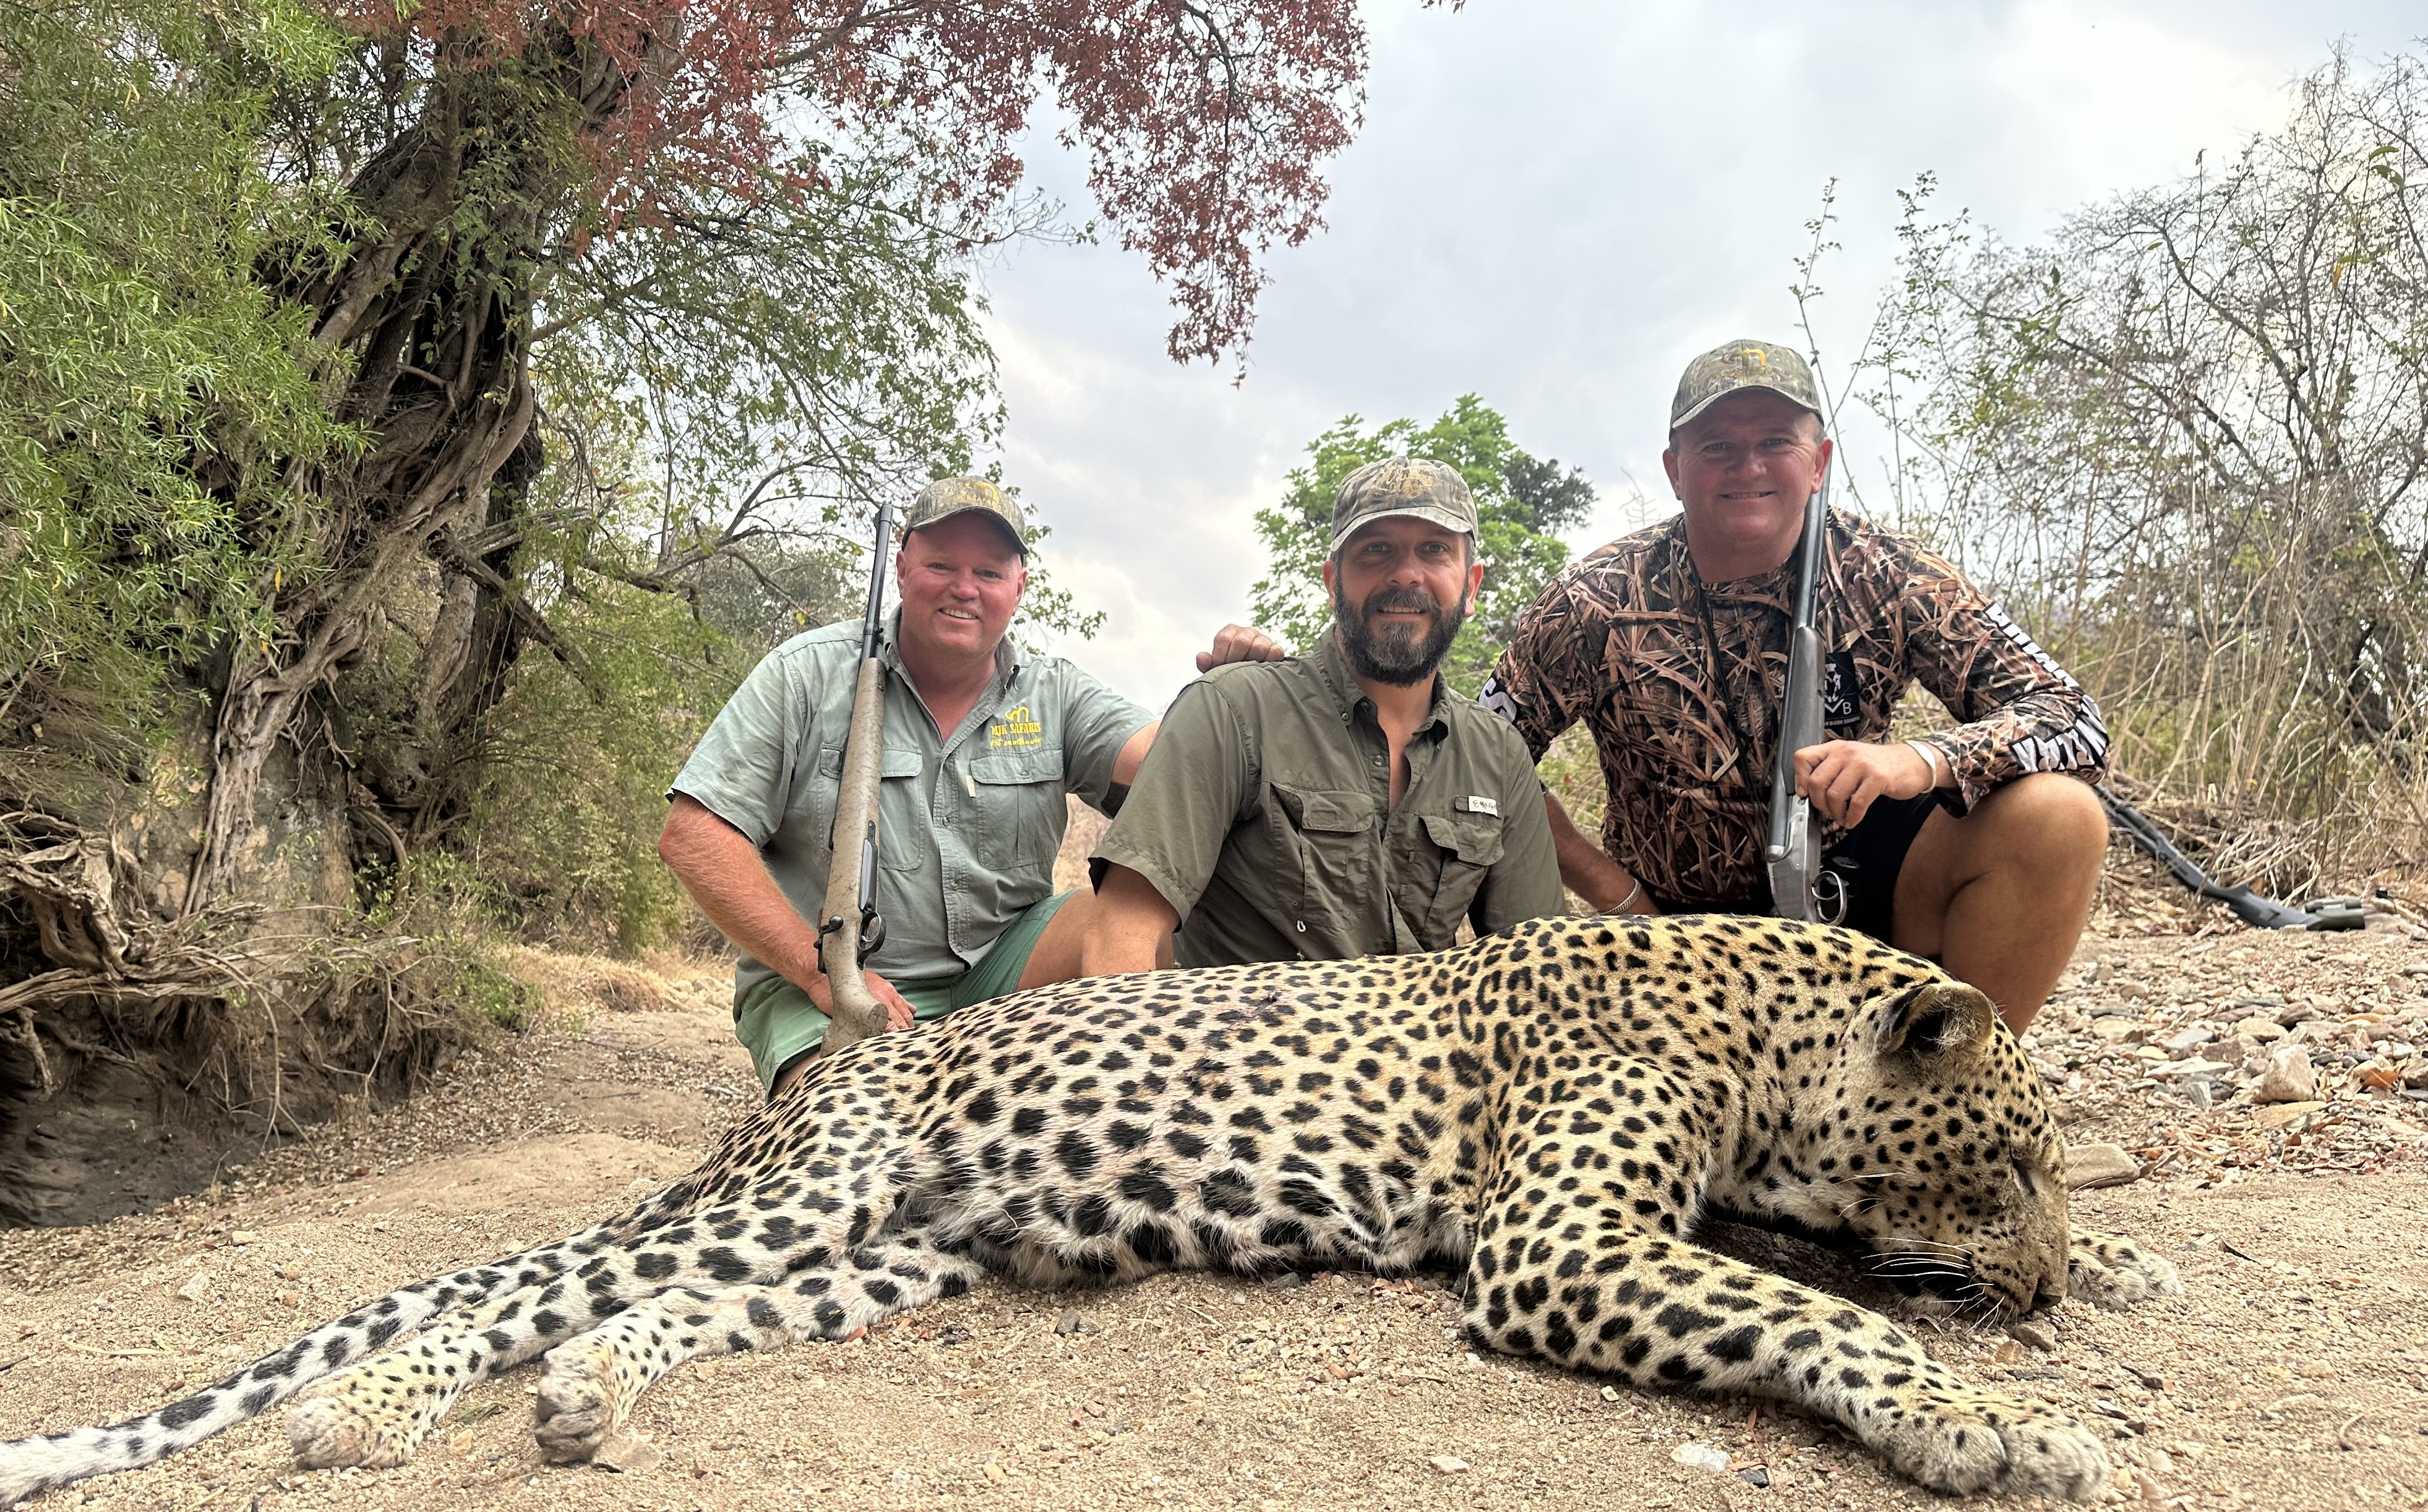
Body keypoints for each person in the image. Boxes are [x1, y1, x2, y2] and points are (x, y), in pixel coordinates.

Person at [1478, 339, 2109, 1034]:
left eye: (1776, 441)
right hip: (1668, 938)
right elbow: (1480, 756)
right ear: (1674, 470)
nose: (1748, 467)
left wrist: (1918, 762)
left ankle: (1955, 1091)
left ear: (1820, 462)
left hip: (1855, 904)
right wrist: (1615, 893)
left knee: (2060, 817)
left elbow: (2074, 718)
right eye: (1717, 446)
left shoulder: (1890, 573)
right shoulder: (1595, 598)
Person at [661, 477, 1274, 1089]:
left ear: (1019, 588)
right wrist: (820, 971)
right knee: (848, 1146)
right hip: (831, 978)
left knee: (1120, 914)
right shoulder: (806, 674)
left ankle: (1134, 1103)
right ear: (901, 570)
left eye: (988, 572)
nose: (964, 588)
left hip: (1006, 963)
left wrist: (1233, 698)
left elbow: (1175, 763)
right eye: (941, 565)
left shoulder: (1053, 691)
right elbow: (693, 834)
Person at [1084, 456, 1568, 972]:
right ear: (1333, 581)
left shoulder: (1498, 754)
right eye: (1376, 550)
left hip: (1422, 1047)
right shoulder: (1231, 709)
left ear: (1470, 586)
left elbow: (1538, 972)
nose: (1406, 574)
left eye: (1434, 550)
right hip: (1239, 1044)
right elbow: (1121, 934)